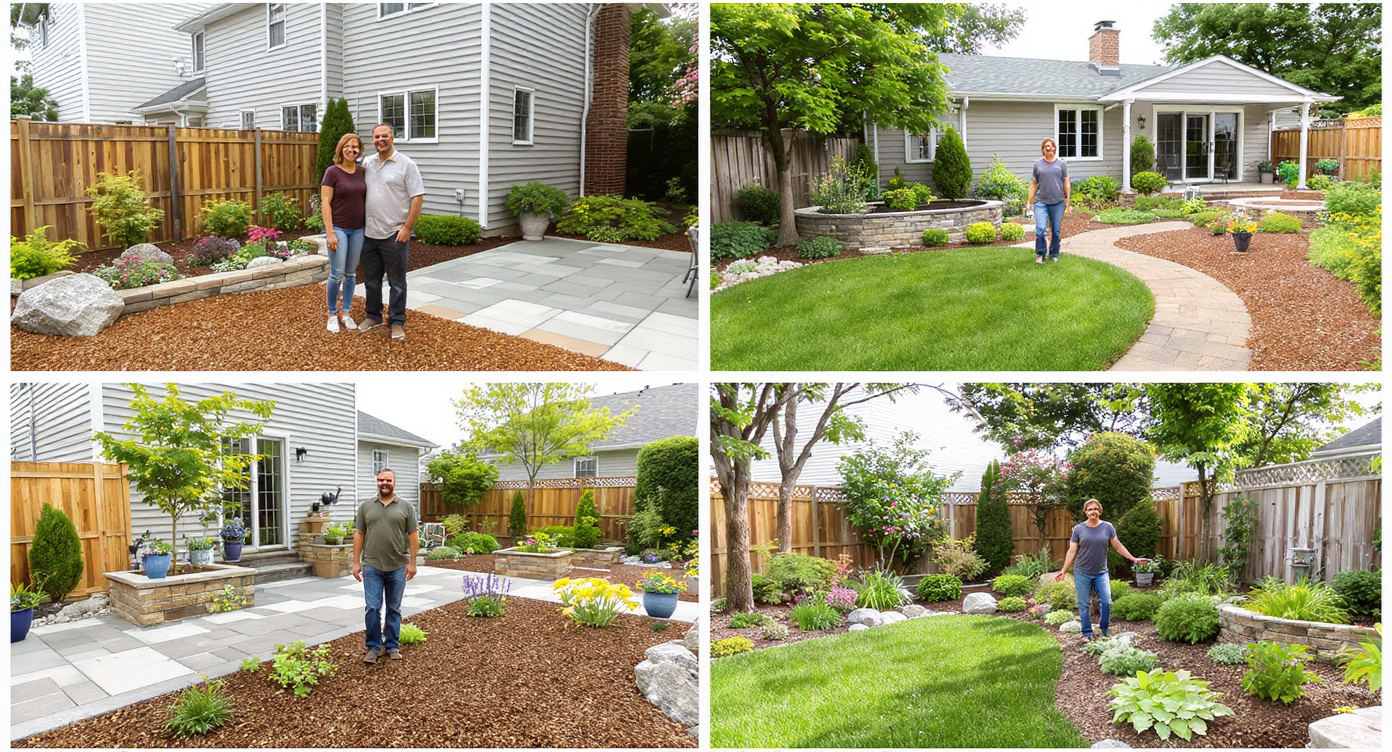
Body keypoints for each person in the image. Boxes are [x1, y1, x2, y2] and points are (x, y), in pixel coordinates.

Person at [359, 123, 425, 341]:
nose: (381, 140)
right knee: (371, 280)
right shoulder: (368, 163)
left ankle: (397, 320)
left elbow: (417, 197)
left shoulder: (407, 165)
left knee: (397, 282)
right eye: (377, 137)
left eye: (385, 136)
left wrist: (407, 228)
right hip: (369, 233)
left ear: (393, 138)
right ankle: (374, 316)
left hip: (394, 233)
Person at [352, 468, 419, 663]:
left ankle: (391, 646)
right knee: (372, 608)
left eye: (388, 480)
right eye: (381, 480)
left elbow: (413, 535)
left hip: (397, 565)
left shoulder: (406, 507)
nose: (385, 483)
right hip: (371, 565)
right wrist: (356, 562)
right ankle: (373, 647)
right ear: (377, 481)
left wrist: (412, 562)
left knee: (393, 608)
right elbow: (359, 534)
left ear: (394, 482)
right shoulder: (365, 506)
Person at [1054, 498, 1141, 640]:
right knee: (1083, 604)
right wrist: (1064, 570)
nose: (1092, 511)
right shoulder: (1079, 529)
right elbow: (1072, 550)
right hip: (1082, 571)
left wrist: (1133, 558)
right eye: (1089, 509)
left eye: (1095, 509)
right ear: (1085, 512)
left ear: (1099, 511)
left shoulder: (1108, 527)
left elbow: (1117, 546)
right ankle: (1087, 633)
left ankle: (1104, 629)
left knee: (1106, 601)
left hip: (1101, 572)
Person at [320, 133, 367, 333]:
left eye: (355, 146)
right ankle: (332, 313)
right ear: (341, 149)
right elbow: (325, 202)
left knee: (350, 274)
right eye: (347, 146)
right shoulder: (332, 172)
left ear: (359, 151)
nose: (351, 149)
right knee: (336, 274)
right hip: (338, 228)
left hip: (358, 229)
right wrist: (330, 232)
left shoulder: (362, 171)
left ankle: (346, 313)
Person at [1026, 137, 1072, 264]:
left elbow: (1066, 183)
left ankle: (1054, 253)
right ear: (1043, 149)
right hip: (1041, 202)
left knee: (1056, 230)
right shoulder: (1037, 165)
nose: (1049, 148)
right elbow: (1033, 183)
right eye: (1046, 146)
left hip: (1058, 202)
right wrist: (1029, 201)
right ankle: (1041, 254)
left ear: (1054, 149)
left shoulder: (1061, 165)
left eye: (1051, 146)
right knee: (1040, 229)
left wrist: (1067, 200)